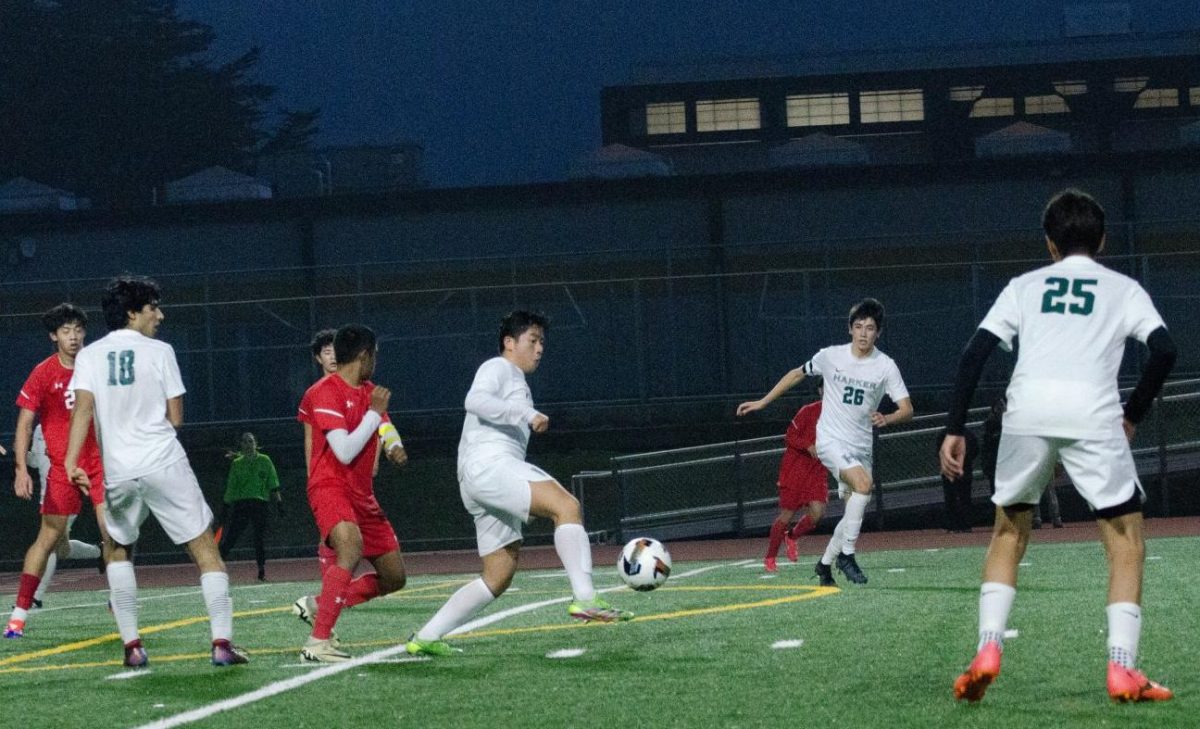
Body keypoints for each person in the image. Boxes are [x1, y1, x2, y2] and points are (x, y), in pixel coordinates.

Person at [940, 189, 1177, 703]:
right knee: (1125, 540)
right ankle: (1121, 668)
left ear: (1049, 244)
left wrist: (954, 427)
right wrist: (1132, 413)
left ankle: (987, 649)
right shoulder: (1123, 288)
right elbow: (1164, 350)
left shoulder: (1023, 287)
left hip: (1025, 413)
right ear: (1103, 239)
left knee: (1008, 531)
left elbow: (973, 354)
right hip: (1092, 414)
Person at [406, 311, 631, 657]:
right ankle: (585, 598)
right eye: (533, 340)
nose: (540, 348)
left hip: (478, 476)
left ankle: (427, 636)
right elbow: (474, 401)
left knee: (499, 573)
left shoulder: (516, 380)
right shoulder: (499, 367)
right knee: (566, 506)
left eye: (542, 342)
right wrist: (525, 414)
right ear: (509, 343)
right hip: (490, 466)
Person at [64, 275, 248, 667]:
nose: (160, 315)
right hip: (163, 461)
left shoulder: (90, 356)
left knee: (117, 549)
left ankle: (132, 648)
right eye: (153, 308)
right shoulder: (161, 351)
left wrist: (70, 460)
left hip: (119, 470)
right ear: (132, 313)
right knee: (205, 550)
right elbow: (175, 418)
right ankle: (221, 643)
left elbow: (82, 410)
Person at [738, 298, 913, 587]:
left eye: (870, 328)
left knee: (854, 509)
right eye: (858, 327)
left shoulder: (885, 366)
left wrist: (889, 418)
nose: (863, 333)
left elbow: (907, 408)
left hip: (861, 447)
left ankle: (824, 564)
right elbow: (797, 374)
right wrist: (763, 401)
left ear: (878, 332)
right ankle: (847, 555)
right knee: (864, 486)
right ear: (849, 329)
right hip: (831, 441)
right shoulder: (831, 356)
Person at [295, 324, 409, 663]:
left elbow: (383, 425)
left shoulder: (369, 391)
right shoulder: (323, 392)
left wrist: (393, 445)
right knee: (350, 548)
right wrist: (373, 413)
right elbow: (343, 450)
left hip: (362, 494)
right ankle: (317, 643)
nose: (376, 361)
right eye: (374, 354)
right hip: (330, 486)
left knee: (394, 577)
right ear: (364, 355)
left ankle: (320, 604)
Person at [5, 305, 107, 638]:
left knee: (115, 533)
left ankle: (120, 602)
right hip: (62, 468)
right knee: (49, 540)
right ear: (54, 336)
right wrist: (21, 468)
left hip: (98, 464)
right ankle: (18, 616)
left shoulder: (96, 366)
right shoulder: (43, 373)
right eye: (66, 331)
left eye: (78, 329)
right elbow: (24, 424)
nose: (73, 336)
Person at [763, 379, 827, 573]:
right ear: (820, 390)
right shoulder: (808, 411)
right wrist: (808, 446)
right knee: (786, 515)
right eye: (826, 387)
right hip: (795, 470)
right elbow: (790, 435)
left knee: (817, 514)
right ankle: (770, 557)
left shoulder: (841, 415)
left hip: (817, 470)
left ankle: (792, 537)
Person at [218, 432, 283, 581]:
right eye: (245, 442)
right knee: (231, 537)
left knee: (259, 538)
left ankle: (261, 571)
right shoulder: (237, 463)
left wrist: (279, 502)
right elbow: (231, 486)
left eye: (250, 441)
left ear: (256, 443)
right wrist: (226, 505)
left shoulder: (265, 460)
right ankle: (215, 569)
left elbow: (273, 482)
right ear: (241, 444)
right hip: (242, 505)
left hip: (259, 504)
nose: (248, 444)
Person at [938, 427, 978, 532]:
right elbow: (975, 450)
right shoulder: (968, 433)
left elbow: (939, 451)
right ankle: (962, 525)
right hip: (960, 469)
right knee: (961, 498)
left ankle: (956, 525)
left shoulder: (945, 434)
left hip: (957, 469)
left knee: (955, 497)